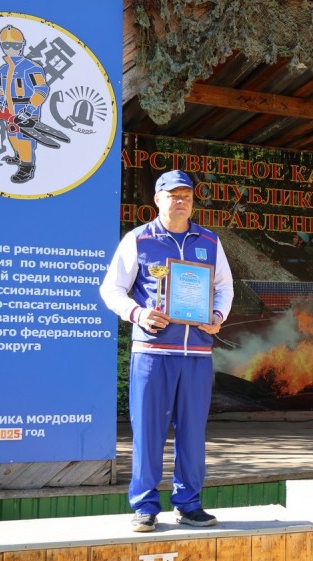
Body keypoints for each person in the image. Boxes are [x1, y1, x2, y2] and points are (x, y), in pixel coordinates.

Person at [100, 170, 234, 533]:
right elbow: (111, 289)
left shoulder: (209, 241)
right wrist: (138, 313)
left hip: (197, 354)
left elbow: (224, 287)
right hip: (152, 352)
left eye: (186, 196)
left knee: (192, 434)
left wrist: (218, 315)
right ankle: (145, 506)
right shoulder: (138, 239)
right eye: (173, 195)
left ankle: (189, 504)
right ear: (157, 199)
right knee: (148, 432)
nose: (181, 201)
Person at [0, 25, 50, 184]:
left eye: (15, 45)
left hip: (26, 107)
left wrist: (29, 110)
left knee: (24, 137)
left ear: (22, 44)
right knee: (12, 134)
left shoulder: (32, 67)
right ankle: (19, 156)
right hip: (10, 109)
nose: (10, 49)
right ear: (1, 45)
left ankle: (27, 167)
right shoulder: (3, 70)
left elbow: (42, 89)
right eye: (6, 45)